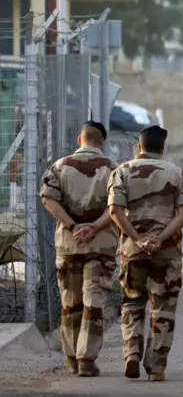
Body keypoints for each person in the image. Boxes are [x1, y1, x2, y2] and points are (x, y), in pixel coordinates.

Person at [107, 125, 183, 382]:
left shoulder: (120, 172)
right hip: (166, 252)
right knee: (163, 307)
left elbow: (114, 211)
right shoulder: (178, 174)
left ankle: (132, 354)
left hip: (132, 251)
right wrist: (160, 238)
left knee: (132, 303)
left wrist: (138, 239)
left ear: (139, 147)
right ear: (162, 148)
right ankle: (156, 367)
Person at [40, 121, 118, 377]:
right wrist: (94, 227)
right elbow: (117, 207)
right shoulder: (113, 169)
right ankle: (87, 358)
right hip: (101, 245)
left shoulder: (59, 167)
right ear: (101, 141)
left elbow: (48, 199)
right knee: (93, 302)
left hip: (69, 245)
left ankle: (71, 357)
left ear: (79, 139)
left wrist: (73, 226)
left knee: (69, 303)